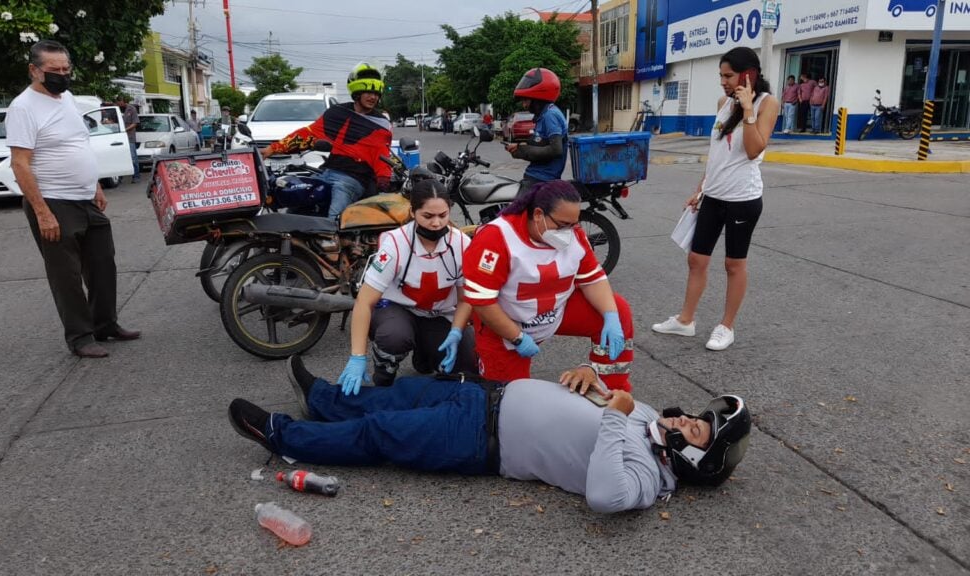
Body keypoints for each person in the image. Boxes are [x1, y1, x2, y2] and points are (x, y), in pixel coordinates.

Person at [228, 357, 752, 514]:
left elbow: (603, 496)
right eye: (693, 418)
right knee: (395, 395)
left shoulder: (647, 480)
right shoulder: (652, 419)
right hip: (487, 396)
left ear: (696, 460)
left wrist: (616, 416)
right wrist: (586, 381)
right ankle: (322, 399)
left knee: (380, 432)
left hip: (479, 440)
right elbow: (597, 401)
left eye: (697, 430)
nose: (685, 421)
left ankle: (284, 436)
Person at [5, 40, 140, 358]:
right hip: (53, 201)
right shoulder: (23, 108)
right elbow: (20, 163)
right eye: (54, 70)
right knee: (66, 276)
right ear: (34, 70)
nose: (62, 75)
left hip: (84, 198)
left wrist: (94, 184)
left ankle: (105, 324)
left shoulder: (66, 99)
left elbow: (77, 144)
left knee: (103, 264)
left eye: (66, 69)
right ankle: (80, 337)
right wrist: (42, 211)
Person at [651, 47, 778, 351]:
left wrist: (748, 110)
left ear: (749, 75)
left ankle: (726, 326)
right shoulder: (723, 103)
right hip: (714, 194)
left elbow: (752, 150)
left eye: (728, 75)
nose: (723, 81)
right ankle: (685, 320)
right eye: (721, 75)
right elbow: (717, 155)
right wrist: (700, 189)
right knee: (696, 259)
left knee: (733, 264)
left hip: (742, 198)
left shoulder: (766, 103)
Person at [462, 180, 634, 391]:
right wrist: (517, 338)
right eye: (562, 225)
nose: (570, 232)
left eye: (574, 224)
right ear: (537, 215)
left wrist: (610, 316)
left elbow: (592, 279)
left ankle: (612, 389)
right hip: (505, 326)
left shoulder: (574, 234)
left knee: (618, 309)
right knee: (507, 402)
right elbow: (482, 302)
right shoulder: (495, 238)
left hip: (554, 312)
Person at [336, 180, 478, 394]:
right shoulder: (394, 243)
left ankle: (424, 353)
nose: (437, 223)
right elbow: (364, 302)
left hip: (437, 315)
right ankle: (384, 372)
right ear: (412, 212)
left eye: (443, 215)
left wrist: (457, 331)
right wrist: (357, 356)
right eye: (428, 216)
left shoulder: (461, 244)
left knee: (467, 361)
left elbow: (465, 298)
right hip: (398, 312)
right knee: (394, 336)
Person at [261, 62, 392, 220]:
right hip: (326, 173)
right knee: (295, 208)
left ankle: (339, 243)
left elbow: (382, 155)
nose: (373, 97)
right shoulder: (337, 113)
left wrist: (384, 181)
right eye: (368, 92)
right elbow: (308, 134)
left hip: (353, 179)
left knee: (334, 221)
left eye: (376, 94)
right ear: (357, 92)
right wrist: (272, 149)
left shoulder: (381, 124)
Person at [504, 68, 568, 198]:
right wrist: (519, 148)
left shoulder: (550, 115)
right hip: (536, 176)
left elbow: (556, 149)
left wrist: (524, 150)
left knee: (512, 215)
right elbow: (541, 144)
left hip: (541, 178)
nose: (524, 105)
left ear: (538, 97)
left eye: (526, 100)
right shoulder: (544, 114)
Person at [114, 95, 139, 183]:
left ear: (122, 101)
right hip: (119, 138)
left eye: (119, 102)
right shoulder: (116, 109)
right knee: (119, 157)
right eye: (117, 103)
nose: (118, 104)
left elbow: (135, 123)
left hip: (129, 137)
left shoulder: (131, 109)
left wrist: (124, 130)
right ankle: (120, 177)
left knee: (133, 157)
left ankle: (136, 176)